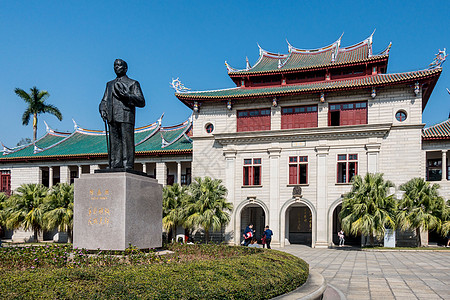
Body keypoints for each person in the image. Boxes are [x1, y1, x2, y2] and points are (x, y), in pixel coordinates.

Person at [99, 59, 146, 170]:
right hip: (112, 116)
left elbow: (141, 101)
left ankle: (127, 163)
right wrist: (102, 109)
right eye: (115, 65)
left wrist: (127, 96)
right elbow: (104, 100)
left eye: (119, 66)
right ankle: (115, 163)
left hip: (125, 115)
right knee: (114, 141)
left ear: (125, 68)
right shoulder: (109, 84)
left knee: (127, 141)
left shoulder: (133, 83)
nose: (116, 67)